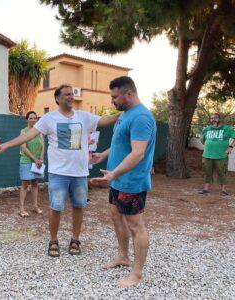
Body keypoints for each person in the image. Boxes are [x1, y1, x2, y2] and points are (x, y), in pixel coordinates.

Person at [0, 84, 119, 257]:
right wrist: (7, 144)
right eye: (67, 94)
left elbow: (104, 121)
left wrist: (123, 112)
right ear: (57, 98)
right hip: (58, 173)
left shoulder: (84, 117)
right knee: (56, 207)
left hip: (80, 173)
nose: (71, 97)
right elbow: (28, 135)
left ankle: (75, 239)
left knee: (79, 207)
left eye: (72, 94)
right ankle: (53, 241)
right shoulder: (49, 118)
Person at [90, 76, 156, 288]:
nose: (112, 101)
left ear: (129, 94)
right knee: (116, 216)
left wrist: (113, 174)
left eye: (115, 96)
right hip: (117, 179)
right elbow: (121, 144)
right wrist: (103, 155)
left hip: (130, 181)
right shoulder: (125, 114)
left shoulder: (141, 118)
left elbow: (137, 153)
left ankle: (137, 274)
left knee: (136, 225)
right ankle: (122, 256)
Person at [199, 113, 235, 196]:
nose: (213, 119)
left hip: (221, 155)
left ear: (220, 119)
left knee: (222, 172)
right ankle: (206, 188)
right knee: (207, 172)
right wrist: (209, 145)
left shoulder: (226, 128)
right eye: (211, 118)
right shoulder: (207, 129)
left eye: (215, 118)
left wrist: (230, 147)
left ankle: (223, 190)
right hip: (207, 155)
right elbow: (202, 139)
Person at [18, 111, 45, 217]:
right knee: (25, 185)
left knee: (34, 183)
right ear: (27, 119)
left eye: (35, 118)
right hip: (26, 161)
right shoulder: (23, 131)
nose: (33, 120)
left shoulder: (39, 132)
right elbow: (23, 148)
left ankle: (35, 206)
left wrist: (41, 159)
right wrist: (34, 159)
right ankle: (21, 209)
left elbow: (43, 146)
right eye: (31, 118)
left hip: (37, 162)